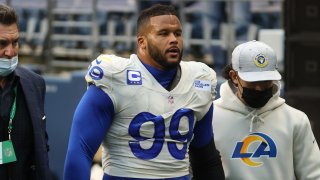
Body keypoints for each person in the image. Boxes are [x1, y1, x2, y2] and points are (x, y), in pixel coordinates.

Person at [64, 4, 224, 180]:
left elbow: (205, 157)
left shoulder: (199, 79)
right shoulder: (115, 77)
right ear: (142, 42)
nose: (174, 40)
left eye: (177, 33)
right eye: (163, 33)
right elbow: (79, 151)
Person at [212, 40, 320, 179]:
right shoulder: (210, 117)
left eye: (266, 81)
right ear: (234, 76)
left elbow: (313, 174)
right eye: (253, 82)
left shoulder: (296, 120)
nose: (259, 88)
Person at [0, 4, 51, 180]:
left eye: (15, 42)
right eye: (2, 44)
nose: (10, 52)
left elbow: (41, 147)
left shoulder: (35, 84)